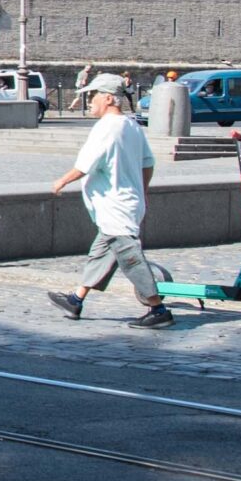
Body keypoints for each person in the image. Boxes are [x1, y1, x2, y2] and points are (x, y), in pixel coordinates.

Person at [47, 74, 168, 329]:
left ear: (109, 98)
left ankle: (158, 309)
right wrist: (142, 191)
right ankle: (75, 300)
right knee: (101, 254)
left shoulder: (107, 127)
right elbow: (148, 163)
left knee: (130, 257)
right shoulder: (131, 125)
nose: (89, 101)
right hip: (126, 204)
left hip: (115, 207)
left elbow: (85, 165)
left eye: (93, 96)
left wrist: (61, 181)